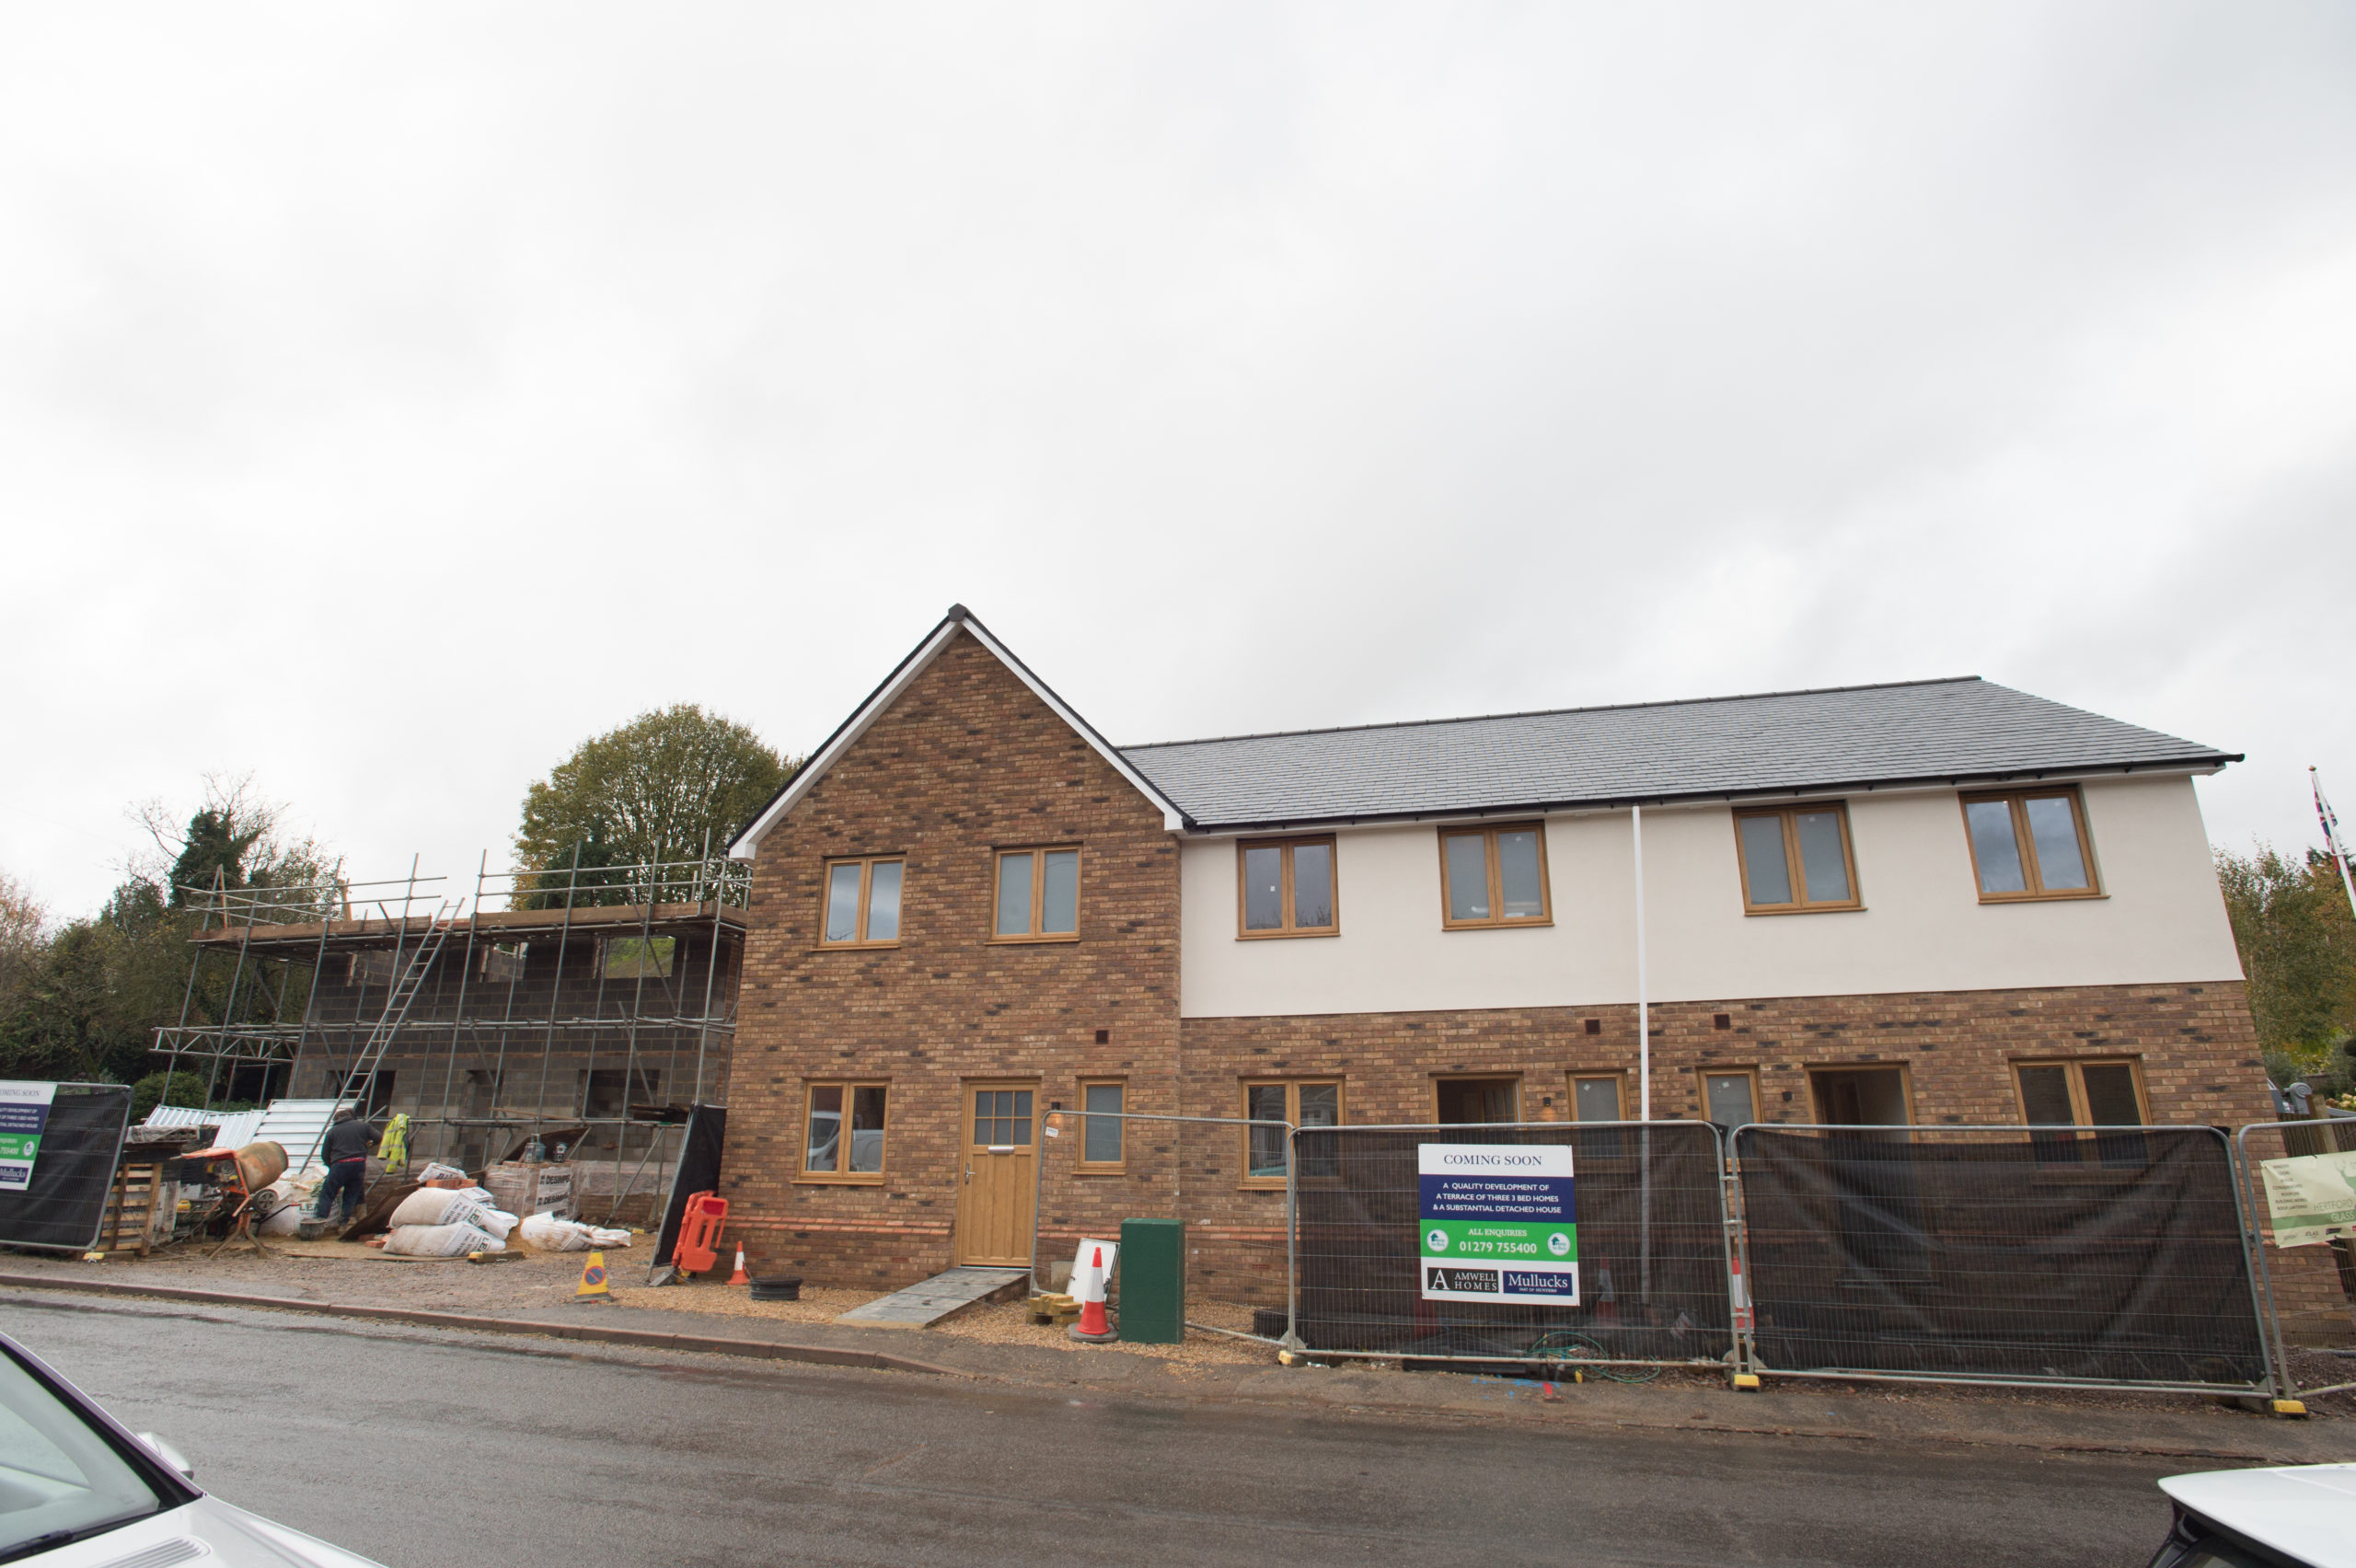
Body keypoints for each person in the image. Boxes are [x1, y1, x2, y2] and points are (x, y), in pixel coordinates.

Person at [313, 1108, 375, 1226]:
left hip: (340, 1164)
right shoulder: (364, 1126)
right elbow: (379, 1137)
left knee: (328, 1193)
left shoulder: (332, 1131)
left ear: (337, 1119)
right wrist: (367, 1145)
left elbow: (325, 1154)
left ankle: (319, 1223)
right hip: (359, 1164)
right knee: (351, 1195)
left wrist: (331, 1166)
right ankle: (343, 1224)